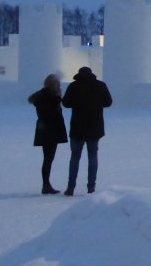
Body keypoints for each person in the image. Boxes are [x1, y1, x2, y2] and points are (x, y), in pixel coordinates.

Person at [62, 66, 112, 196]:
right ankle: (91, 187)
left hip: (77, 127)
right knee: (92, 157)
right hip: (95, 127)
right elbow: (108, 102)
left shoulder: (73, 86)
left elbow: (66, 103)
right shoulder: (100, 85)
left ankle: (70, 186)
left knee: (75, 157)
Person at [28, 74, 68, 195]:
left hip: (44, 130)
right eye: (58, 83)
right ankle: (46, 185)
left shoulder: (41, 96)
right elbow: (52, 112)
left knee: (47, 158)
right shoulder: (51, 97)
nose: (60, 85)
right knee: (48, 159)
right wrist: (58, 97)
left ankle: (46, 184)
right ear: (53, 84)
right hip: (51, 131)